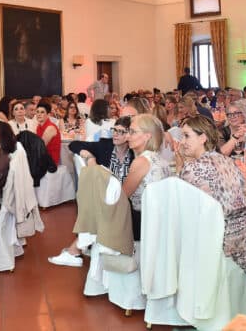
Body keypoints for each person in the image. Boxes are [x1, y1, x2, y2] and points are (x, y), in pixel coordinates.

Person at [49, 116, 135, 267]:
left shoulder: (134, 153)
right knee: (98, 207)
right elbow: (74, 144)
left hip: (127, 203)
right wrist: (89, 156)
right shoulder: (105, 146)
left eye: (121, 132)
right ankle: (76, 250)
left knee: (98, 209)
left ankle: (75, 250)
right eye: (114, 130)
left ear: (129, 135)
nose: (115, 134)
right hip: (108, 201)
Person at [177, 115, 246, 273]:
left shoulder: (192, 168)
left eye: (186, 136)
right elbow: (243, 189)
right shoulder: (228, 161)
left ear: (203, 138)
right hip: (244, 243)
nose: (182, 142)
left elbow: (179, 202)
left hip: (216, 246)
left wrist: (180, 164)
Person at [122, 114, 171, 240]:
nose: (127, 136)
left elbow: (122, 196)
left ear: (147, 136)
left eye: (133, 132)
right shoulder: (161, 160)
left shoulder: (142, 161)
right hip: (161, 223)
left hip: (143, 224)